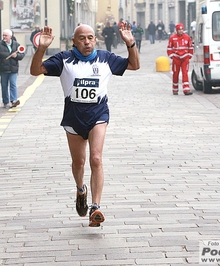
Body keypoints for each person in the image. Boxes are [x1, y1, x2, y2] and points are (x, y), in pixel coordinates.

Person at [30, 23, 140, 227]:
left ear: (95, 40)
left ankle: (95, 207)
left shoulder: (105, 58)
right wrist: (42, 48)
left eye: (90, 37)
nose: (87, 42)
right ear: (74, 41)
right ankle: (81, 190)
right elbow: (36, 70)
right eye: (82, 38)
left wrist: (130, 43)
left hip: (98, 114)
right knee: (78, 162)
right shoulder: (64, 59)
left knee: (96, 159)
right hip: (74, 117)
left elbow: (134, 65)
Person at [0, 29, 25, 108]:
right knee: (4, 85)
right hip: (3, 68)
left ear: (10, 36)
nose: (4, 37)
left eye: (6, 35)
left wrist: (17, 56)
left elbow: (22, 54)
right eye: (3, 35)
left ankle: (14, 100)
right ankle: (5, 101)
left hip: (13, 68)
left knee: (13, 84)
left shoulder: (16, 44)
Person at [167, 23, 194, 95]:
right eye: (179, 30)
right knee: (175, 74)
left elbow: (190, 47)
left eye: (182, 29)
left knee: (185, 73)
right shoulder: (172, 38)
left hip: (185, 58)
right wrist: (171, 56)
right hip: (176, 58)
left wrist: (189, 55)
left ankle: (186, 89)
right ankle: (175, 89)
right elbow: (169, 48)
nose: (181, 31)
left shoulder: (187, 37)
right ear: (177, 30)